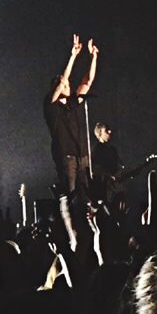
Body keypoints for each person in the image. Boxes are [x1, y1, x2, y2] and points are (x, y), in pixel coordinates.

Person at [44, 34, 99, 197]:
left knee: (87, 197)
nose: (68, 85)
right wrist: (73, 56)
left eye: (68, 84)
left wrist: (93, 58)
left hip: (81, 155)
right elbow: (63, 80)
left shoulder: (72, 102)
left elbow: (87, 82)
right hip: (66, 157)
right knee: (71, 195)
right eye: (65, 84)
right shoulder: (51, 105)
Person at [91, 122, 121, 203]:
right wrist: (108, 175)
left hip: (113, 186)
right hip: (102, 186)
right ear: (100, 132)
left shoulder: (113, 150)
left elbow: (118, 165)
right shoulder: (96, 150)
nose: (110, 132)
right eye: (106, 130)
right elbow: (95, 168)